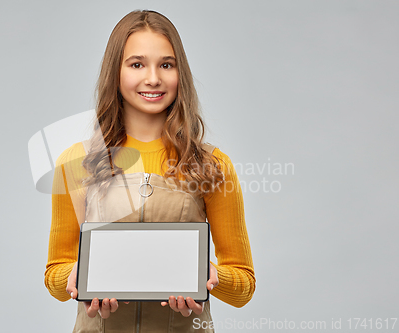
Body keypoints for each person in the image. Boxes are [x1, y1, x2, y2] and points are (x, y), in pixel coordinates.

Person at [44, 9, 255, 332]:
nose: (153, 78)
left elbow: (244, 286)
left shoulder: (213, 165)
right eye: (137, 64)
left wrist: (210, 277)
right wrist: (76, 276)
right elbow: (55, 273)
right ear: (116, 72)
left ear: (179, 73)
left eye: (166, 65)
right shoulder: (75, 163)